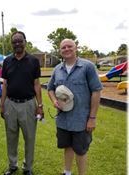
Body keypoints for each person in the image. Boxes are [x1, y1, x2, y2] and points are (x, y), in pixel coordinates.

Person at [47, 39, 102, 175]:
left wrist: (92, 118)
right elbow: (50, 88)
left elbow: (96, 91)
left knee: (80, 150)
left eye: (69, 46)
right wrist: (54, 101)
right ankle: (67, 172)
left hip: (81, 120)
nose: (66, 49)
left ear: (76, 48)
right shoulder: (57, 69)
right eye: (63, 47)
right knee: (67, 146)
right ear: (60, 51)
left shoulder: (87, 67)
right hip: (63, 119)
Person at [0, 31, 43, 175]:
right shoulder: (7, 61)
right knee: (11, 137)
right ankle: (12, 165)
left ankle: (27, 167)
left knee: (29, 138)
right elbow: (5, 84)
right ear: (11, 44)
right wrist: (2, 104)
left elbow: (37, 84)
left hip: (29, 104)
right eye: (14, 42)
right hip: (10, 104)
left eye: (20, 41)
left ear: (25, 41)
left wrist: (40, 106)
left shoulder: (33, 61)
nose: (17, 44)